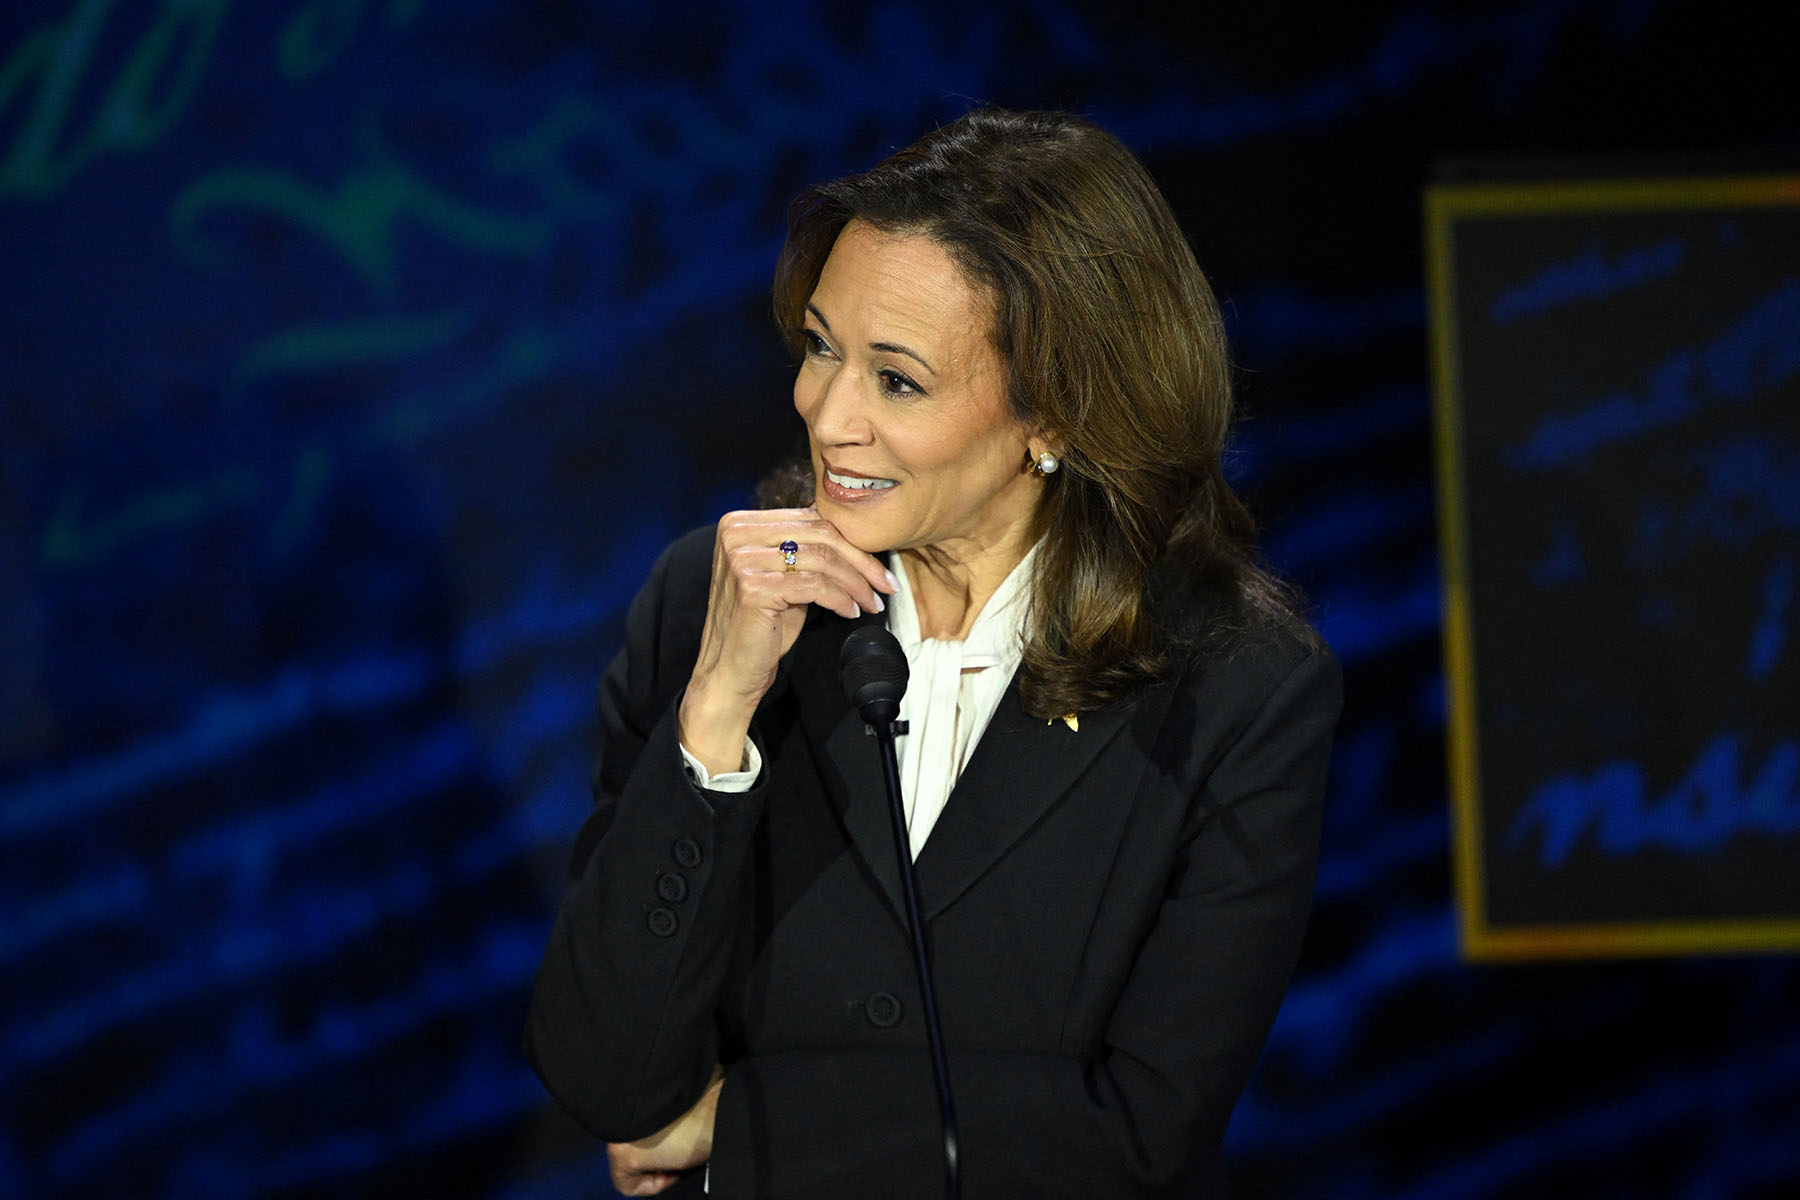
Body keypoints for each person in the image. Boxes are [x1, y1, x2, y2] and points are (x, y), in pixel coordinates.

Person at [525, 108, 1341, 1198]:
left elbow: (1142, 1136)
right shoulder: (709, 604)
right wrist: (716, 713)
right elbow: (607, 1081)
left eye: (896, 380)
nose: (827, 414)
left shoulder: (1235, 689)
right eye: (821, 347)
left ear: (1054, 413)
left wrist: (747, 1119)